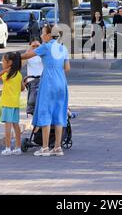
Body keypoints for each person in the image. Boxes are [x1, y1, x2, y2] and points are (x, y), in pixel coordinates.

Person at [21, 25, 70, 157]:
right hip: (62, 83)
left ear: (49, 35)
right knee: (59, 114)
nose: (41, 36)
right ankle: (58, 147)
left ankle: (45, 147)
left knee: (45, 113)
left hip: (48, 82)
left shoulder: (46, 47)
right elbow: (67, 68)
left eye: (43, 33)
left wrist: (14, 57)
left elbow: (27, 56)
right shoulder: (63, 48)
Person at [0, 52, 25, 156]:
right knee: (16, 125)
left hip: (7, 103)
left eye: (3, 61)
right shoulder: (19, 74)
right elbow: (22, 88)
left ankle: (8, 148)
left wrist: (4, 70)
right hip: (15, 103)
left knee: (7, 125)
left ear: (10, 62)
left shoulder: (8, 74)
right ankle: (18, 147)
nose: (2, 62)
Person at [23, 38, 43, 115]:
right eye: (33, 46)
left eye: (37, 46)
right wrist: (29, 50)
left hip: (42, 80)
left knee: (42, 102)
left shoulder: (43, 54)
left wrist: (41, 49)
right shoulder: (28, 55)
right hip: (31, 82)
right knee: (32, 103)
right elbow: (21, 64)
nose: (35, 48)